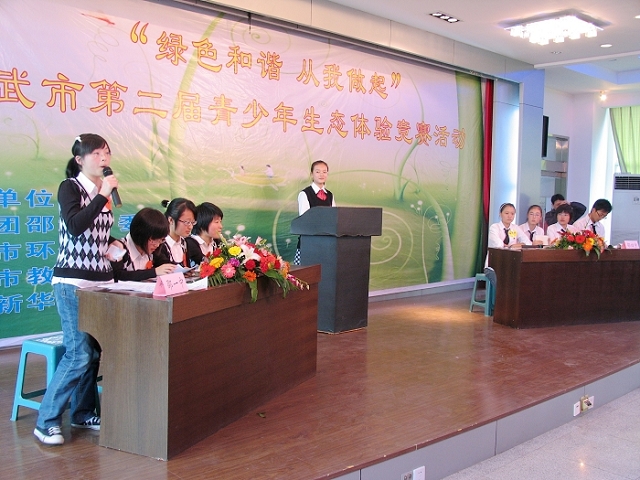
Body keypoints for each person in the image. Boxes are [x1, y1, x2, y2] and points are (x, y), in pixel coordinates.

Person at [34, 133, 119, 445]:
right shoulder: (70, 187)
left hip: (100, 282)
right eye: (96, 153)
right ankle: (45, 421)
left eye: (106, 152)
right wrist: (102, 195)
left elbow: (95, 235)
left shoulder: (103, 192)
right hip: (73, 282)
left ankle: (82, 413)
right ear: (80, 160)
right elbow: (75, 226)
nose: (103, 158)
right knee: (78, 353)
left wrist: (113, 246)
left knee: (93, 352)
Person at [110, 208, 177, 281]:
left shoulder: (155, 248)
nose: (157, 245)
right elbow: (117, 275)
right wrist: (154, 272)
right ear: (140, 234)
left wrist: (180, 270)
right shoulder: (118, 247)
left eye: (161, 239)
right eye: (152, 239)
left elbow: (164, 263)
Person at [295, 160, 336, 264]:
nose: (321, 174)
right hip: (309, 242)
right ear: (311, 174)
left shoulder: (330, 195)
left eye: (324, 172)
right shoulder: (305, 194)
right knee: (306, 272)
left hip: (326, 242)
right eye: (318, 172)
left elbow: (334, 217)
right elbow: (304, 219)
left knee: (325, 271)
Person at [153, 198, 197, 267]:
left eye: (193, 222)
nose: (191, 227)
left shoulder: (184, 242)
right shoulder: (160, 245)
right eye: (187, 222)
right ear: (171, 220)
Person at [185, 202, 224, 266]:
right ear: (202, 223)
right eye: (216, 222)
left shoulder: (218, 243)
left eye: (220, 222)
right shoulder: (189, 243)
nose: (221, 226)